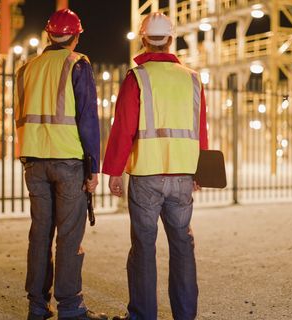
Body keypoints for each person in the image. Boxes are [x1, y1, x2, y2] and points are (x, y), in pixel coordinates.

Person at [102, 12, 208, 320]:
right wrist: (200, 169)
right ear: (172, 39)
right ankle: (185, 315)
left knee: (144, 248)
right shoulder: (193, 78)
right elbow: (200, 129)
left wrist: (113, 171)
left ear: (143, 38)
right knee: (183, 245)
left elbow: (123, 127)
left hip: (147, 175)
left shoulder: (138, 77)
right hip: (182, 175)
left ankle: (143, 315)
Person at [15, 9, 106, 320]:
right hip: (68, 160)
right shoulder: (77, 63)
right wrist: (93, 166)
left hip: (34, 161)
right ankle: (70, 307)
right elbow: (88, 119)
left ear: (47, 34)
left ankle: (37, 306)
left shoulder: (26, 68)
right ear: (76, 35)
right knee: (68, 234)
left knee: (39, 233)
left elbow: (20, 115)